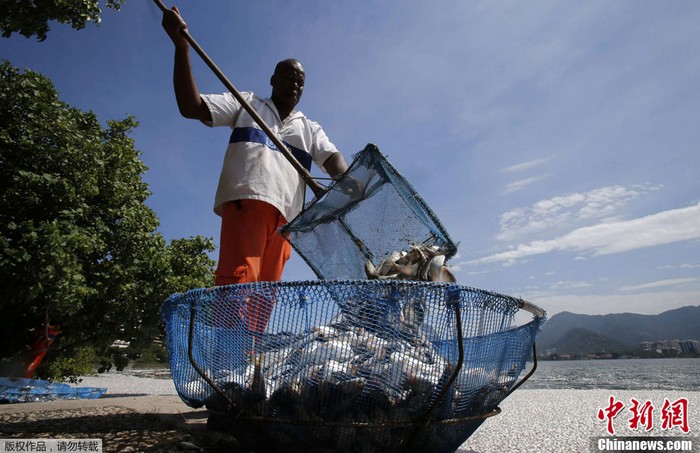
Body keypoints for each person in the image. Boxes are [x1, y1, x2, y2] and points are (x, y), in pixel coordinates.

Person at [161, 6, 354, 332]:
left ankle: (246, 367)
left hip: (288, 222)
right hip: (248, 202)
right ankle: (224, 364)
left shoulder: (310, 128)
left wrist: (347, 181)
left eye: (301, 81)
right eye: (289, 77)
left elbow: (333, 159)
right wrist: (181, 48)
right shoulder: (247, 104)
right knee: (237, 286)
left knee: (265, 297)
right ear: (273, 80)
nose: (295, 84)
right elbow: (190, 107)